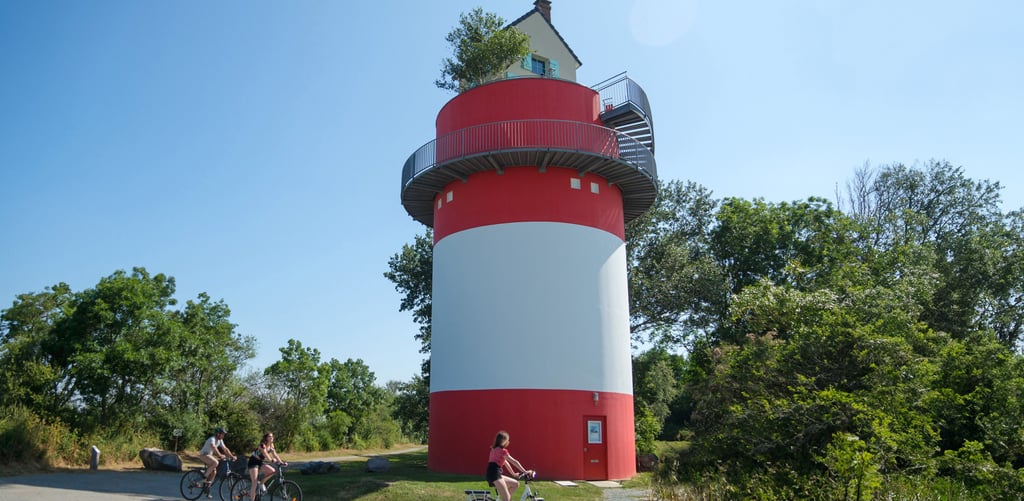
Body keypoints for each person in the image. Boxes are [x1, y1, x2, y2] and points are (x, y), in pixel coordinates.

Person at [486, 430, 533, 501]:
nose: (508, 442)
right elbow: (514, 461)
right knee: (506, 499)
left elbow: (506, 463)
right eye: (508, 440)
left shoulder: (494, 449)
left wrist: (513, 474)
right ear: (504, 441)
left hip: (492, 473)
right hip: (495, 474)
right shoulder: (502, 451)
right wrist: (525, 471)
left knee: (515, 484)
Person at [246, 432, 287, 501]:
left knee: (272, 471)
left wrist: (281, 462)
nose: (272, 438)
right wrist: (271, 460)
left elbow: (275, 454)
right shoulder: (262, 445)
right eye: (270, 436)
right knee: (254, 483)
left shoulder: (271, 445)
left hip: (260, 462)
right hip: (253, 462)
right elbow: (265, 453)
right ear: (266, 438)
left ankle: (261, 483)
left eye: (272, 436)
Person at [199, 427, 236, 497]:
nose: (223, 436)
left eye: (224, 434)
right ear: (218, 434)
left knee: (214, 472)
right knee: (216, 462)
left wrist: (232, 456)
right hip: (203, 455)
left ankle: (207, 489)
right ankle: (204, 476)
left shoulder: (220, 441)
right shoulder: (212, 439)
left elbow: (225, 449)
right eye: (222, 434)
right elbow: (213, 447)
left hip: (208, 456)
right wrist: (219, 455)